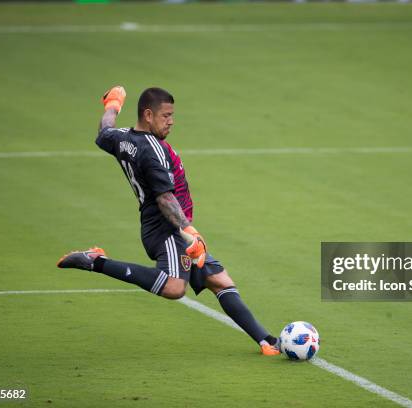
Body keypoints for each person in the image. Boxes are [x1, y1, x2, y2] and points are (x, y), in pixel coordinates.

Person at [57, 86, 280, 355]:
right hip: (167, 230)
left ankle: (267, 341)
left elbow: (104, 131)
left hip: (162, 226)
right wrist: (189, 232)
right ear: (148, 115)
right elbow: (165, 198)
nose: (171, 121)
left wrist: (113, 105)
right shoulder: (152, 150)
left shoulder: (124, 138)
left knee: (221, 281)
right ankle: (96, 262)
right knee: (174, 287)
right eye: (166, 116)